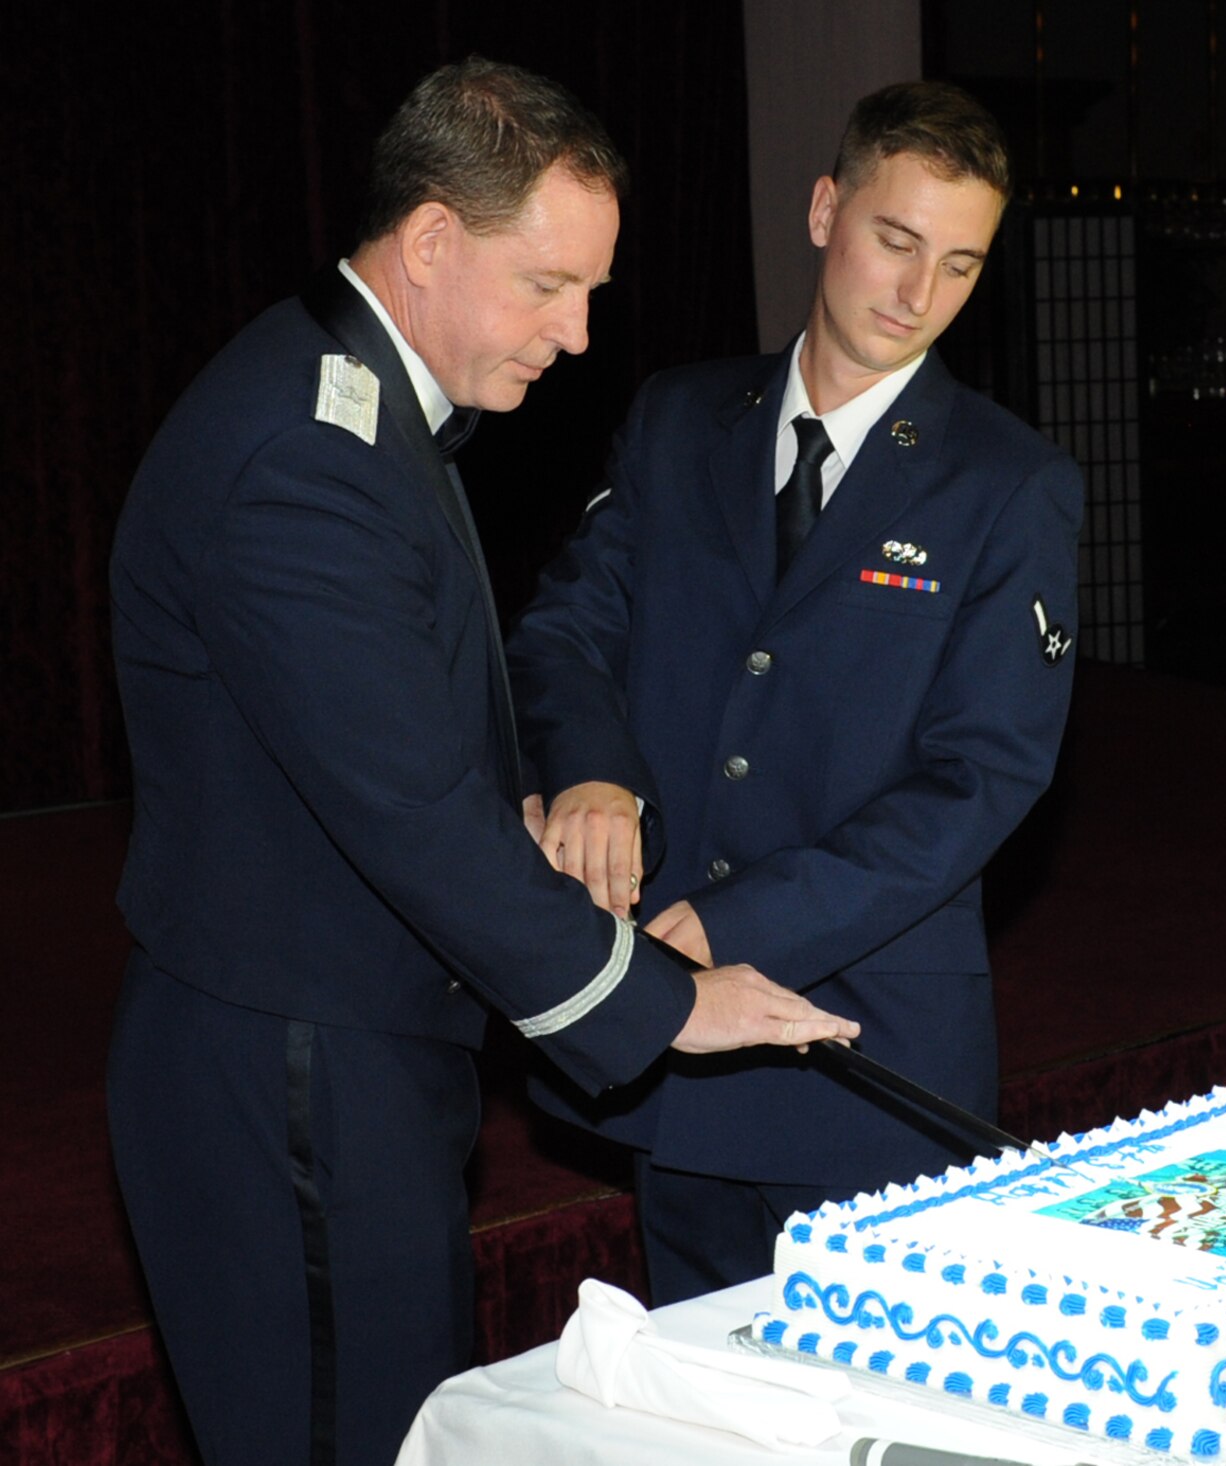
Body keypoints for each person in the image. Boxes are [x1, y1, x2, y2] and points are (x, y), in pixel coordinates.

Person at [106, 58, 856, 1466]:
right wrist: (660, 998)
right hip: (294, 1076)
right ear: (435, 238)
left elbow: (369, 729)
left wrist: (529, 801)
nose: (577, 336)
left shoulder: (357, 399)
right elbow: (403, 811)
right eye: (546, 286)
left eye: (593, 294)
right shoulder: (305, 453)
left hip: (337, 1046)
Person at [507, 80, 1083, 1305]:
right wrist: (590, 766)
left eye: (960, 263)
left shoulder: (1005, 485)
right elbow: (565, 628)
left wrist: (736, 925)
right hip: (677, 1045)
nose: (918, 293)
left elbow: (979, 782)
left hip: (862, 1048)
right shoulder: (676, 418)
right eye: (895, 239)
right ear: (826, 209)